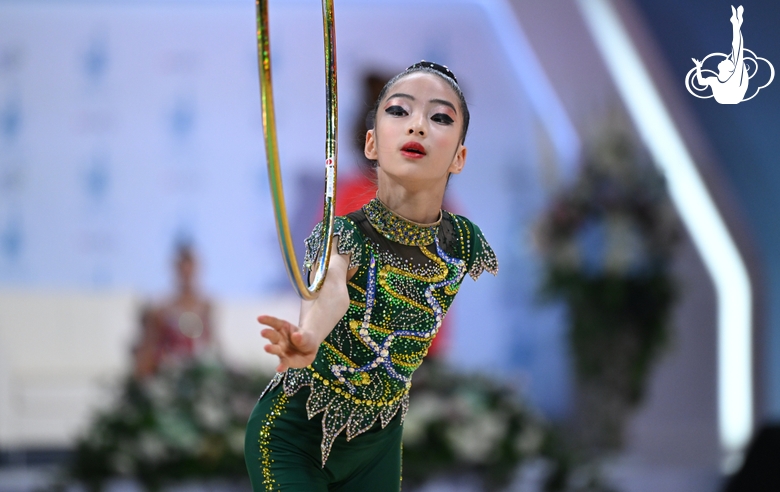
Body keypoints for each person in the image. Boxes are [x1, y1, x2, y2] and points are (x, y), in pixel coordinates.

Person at [244, 61, 498, 491]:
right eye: (399, 111)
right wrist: (309, 335)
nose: (417, 126)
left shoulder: (462, 239)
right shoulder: (346, 222)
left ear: (460, 156)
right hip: (296, 438)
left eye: (439, 117)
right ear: (371, 142)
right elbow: (332, 286)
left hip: (378, 445)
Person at [133, 243, 214, 379]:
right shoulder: (162, 309)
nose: (186, 275)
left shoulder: (206, 307)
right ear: (176, 270)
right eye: (182, 270)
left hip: (198, 375)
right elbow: (150, 347)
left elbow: (211, 344)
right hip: (170, 375)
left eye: (190, 269)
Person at [692, 5, 748, 104]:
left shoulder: (734, 78)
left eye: (727, 61)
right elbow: (701, 82)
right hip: (726, 98)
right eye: (728, 60)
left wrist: (736, 26)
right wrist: (698, 67)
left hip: (733, 96)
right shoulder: (714, 80)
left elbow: (737, 48)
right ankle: (736, 23)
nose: (725, 59)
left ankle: (736, 23)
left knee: (737, 50)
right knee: (736, 51)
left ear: (729, 69)